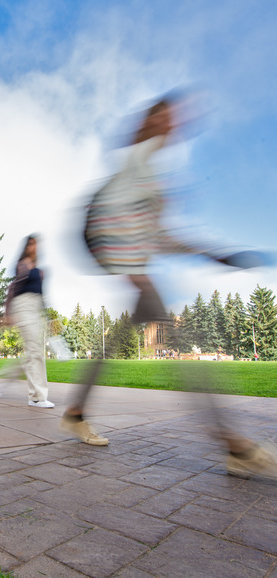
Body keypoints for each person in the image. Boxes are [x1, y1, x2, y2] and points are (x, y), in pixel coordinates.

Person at [60, 94, 277, 479]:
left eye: (174, 119)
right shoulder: (136, 163)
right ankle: (235, 445)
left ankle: (75, 411)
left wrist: (212, 254)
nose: (172, 124)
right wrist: (132, 272)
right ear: (150, 121)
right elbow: (108, 217)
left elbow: (161, 236)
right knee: (178, 338)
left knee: (132, 332)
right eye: (164, 116)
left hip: (129, 259)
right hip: (117, 255)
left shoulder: (152, 174)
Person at [0, 235, 55, 408]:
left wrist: (49, 317)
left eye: (37, 244)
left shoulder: (40, 270)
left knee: (34, 352)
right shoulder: (22, 264)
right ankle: (37, 397)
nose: (34, 247)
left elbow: (42, 295)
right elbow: (13, 288)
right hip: (22, 306)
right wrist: (8, 313)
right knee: (35, 351)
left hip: (35, 308)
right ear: (26, 246)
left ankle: (7, 378)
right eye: (31, 244)